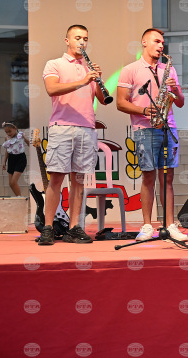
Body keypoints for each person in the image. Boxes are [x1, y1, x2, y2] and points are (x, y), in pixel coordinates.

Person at [38, 24, 108, 245]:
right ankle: (48, 227)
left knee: (78, 181)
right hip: (62, 127)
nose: (82, 42)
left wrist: (98, 80)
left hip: (86, 128)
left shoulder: (89, 68)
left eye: (85, 38)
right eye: (77, 38)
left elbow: (103, 100)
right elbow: (52, 89)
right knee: (56, 179)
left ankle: (74, 228)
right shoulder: (54, 64)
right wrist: (82, 81)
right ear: (67, 40)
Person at [116, 28, 188, 242]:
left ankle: (170, 225)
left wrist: (176, 90)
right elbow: (120, 103)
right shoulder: (130, 69)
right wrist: (143, 110)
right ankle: (147, 225)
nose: (161, 45)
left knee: (168, 178)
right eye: (157, 41)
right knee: (148, 177)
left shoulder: (169, 70)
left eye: (162, 43)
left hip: (168, 127)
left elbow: (180, 102)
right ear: (144, 42)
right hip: (144, 128)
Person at [1, 121, 30, 196]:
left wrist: (26, 139)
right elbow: (7, 151)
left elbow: (30, 144)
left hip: (20, 158)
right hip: (11, 159)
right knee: (10, 184)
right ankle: (19, 197)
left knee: (13, 182)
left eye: (10, 131)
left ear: (15, 128)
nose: (8, 133)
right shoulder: (7, 138)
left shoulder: (21, 135)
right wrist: (4, 161)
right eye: (6, 132)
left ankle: (20, 198)